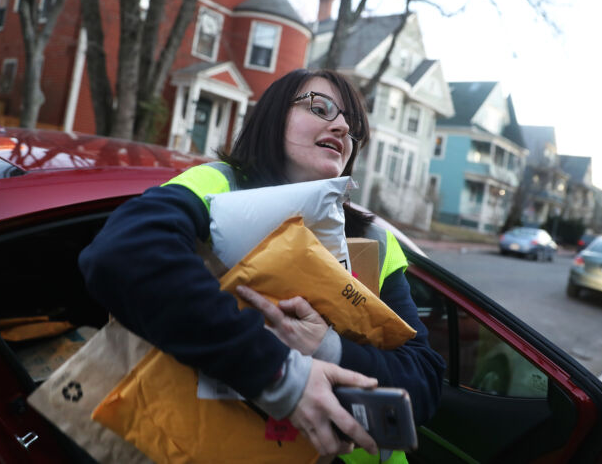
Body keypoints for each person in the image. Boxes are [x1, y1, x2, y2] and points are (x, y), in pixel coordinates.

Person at [79, 69, 445, 463]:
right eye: (320, 108)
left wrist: (327, 347)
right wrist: (281, 373)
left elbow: (423, 382)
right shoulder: (218, 184)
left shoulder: (374, 238)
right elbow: (123, 253)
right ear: (272, 116)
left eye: (352, 127)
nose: (341, 127)